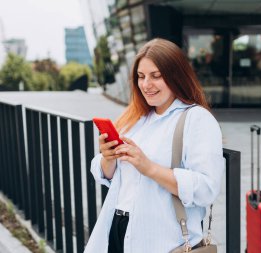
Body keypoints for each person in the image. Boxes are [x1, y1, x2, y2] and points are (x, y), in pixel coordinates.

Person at [84, 38, 225, 253]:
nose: (146, 85)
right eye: (141, 77)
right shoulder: (136, 118)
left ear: (175, 75)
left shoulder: (196, 119)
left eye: (156, 76)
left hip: (163, 241)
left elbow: (207, 189)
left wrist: (149, 168)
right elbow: (104, 174)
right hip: (119, 230)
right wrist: (108, 157)